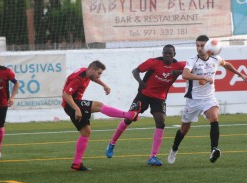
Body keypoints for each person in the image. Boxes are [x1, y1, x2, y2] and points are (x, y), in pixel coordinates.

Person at [167, 35, 247, 164]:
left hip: (209, 98)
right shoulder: (192, 60)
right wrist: (203, 77)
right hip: (193, 100)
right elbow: (185, 74)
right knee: (184, 129)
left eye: (202, 45)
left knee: (214, 117)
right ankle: (174, 149)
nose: (199, 48)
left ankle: (214, 150)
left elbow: (226, 64)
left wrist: (240, 74)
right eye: (197, 45)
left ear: (208, 46)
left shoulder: (216, 58)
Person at [105, 44, 185, 166]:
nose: (167, 56)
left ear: (174, 54)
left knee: (161, 122)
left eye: (170, 54)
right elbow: (135, 71)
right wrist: (140, 81)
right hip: (144, 94)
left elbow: (192, 69)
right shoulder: (153, 62)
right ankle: (112, 143)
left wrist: (178, 72)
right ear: (162, 53)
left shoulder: (179, 65)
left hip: (159, 98)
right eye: (165, 53)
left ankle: (153, 157)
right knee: (129, 118)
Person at [62, 60, 141, 171]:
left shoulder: (87, 72)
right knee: (99, 106)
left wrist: (105, 85)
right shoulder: (78, 78)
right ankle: (128, 115)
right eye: (99, 73)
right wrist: (77, 109)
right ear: (92, 70)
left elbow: (94, 78)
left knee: (86, 132)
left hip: (75, 103)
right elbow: (66, 94)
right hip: (71, 104)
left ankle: (77, 163)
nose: (99, 76)